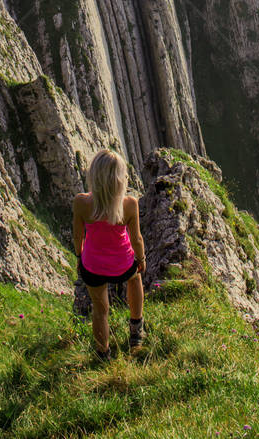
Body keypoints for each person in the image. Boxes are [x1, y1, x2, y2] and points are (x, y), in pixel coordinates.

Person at [72, 148, 146, 360]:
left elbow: (78, 237)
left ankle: (103, 353)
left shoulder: (81, 203)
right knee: (135, 279)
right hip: (123, 264)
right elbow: (137, 239)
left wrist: (79, 258)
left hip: (93, 266)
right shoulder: (129, 204)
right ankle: (136, 329)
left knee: (100, 309)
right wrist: (141, 259)